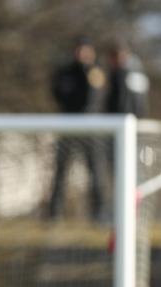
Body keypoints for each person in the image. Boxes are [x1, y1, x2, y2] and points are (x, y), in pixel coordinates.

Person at [46, 36, 107, 221]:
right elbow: (58, 93)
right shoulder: (65, 72)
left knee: (96, 172)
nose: (81, 54)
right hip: (68, 127)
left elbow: (95, 97)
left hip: (91, 129)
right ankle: (54, 213)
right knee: (61, 171)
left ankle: (99, 214)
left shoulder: (96, 71)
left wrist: (87, 72)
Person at [104, 39, 149, 117]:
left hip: (124, 118)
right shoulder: (137, 72)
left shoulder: (124, 74)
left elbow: (133, 101)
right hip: (129, 118)